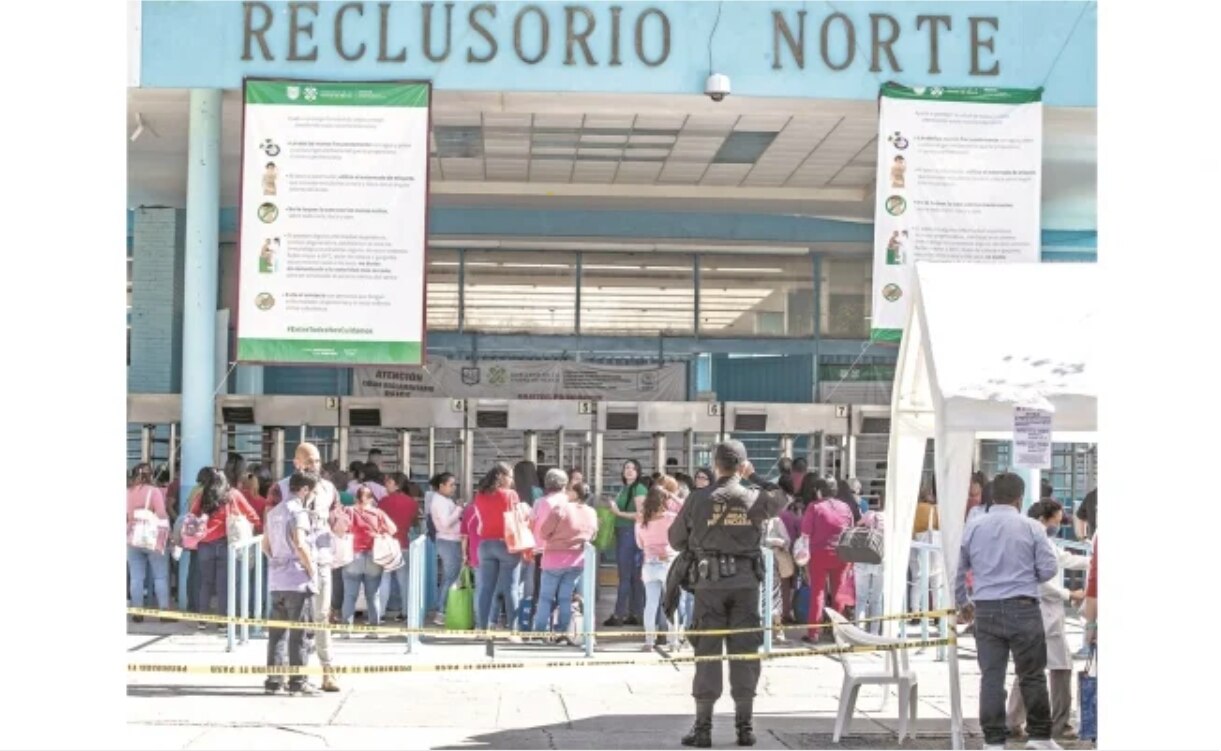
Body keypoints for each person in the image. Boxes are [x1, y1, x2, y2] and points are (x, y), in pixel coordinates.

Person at [669, 441, 786, 748]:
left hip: (709, 585)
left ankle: (703, 729)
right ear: (742, 465)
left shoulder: (698, 498)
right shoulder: (754, 496)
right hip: (746, 584)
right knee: (745, 652)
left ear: (716, 464)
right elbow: (782, 497)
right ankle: (744, 728)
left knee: (707, 652)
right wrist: (754, 477)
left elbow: (676, 539)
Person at [956, 473, 1061, 751]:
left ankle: (993, 741)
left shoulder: (973, 526)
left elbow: (959, 568)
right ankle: (1039, 736)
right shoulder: (1032, 527)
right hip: (1023, 607)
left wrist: (963, 602)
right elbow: (1049, 569)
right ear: (1019, 498)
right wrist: (1026, 576)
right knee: (1032, 675)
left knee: (992, 677)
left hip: (986, 609)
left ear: (993, 496)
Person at [1007, 500, 1090, 741]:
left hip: (1038, 613)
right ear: (1045, 518)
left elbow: (1063, 558)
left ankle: (1012, 722)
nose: (1059, 524)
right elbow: (1040, 582)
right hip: (1042, 613)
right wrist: (1069, 594)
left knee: (1030, 669)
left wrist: (1092, 562)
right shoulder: (1035, 539)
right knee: (1058, 669)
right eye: (1057, 520)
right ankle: (1058, 724)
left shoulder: (1038, 538)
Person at [266, 442, 343, 693]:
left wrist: (343, 524)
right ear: (296, 463)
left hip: (319, 560)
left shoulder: (329, 489)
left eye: (318, 461)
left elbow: (337, 520)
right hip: (294, 568)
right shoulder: (280, 489)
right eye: (309, 462)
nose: (314, 466)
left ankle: (327, 670)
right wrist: (281, 559)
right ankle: (290, 678)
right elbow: (268, 527)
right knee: (291, 625)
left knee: (320, 616)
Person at [262, 471, 321, 696]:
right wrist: (312, 570)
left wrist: (277, 561)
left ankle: (274, 681)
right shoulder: (299, 512)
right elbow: (301, 543)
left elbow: (265, 545)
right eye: (312, 492)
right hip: (297, 579)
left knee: (277, 634)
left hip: (276, 580)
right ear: (304, 490)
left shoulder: (273, 512)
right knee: (300, 634)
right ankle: (298, 681)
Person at [187, 467, 259, 628]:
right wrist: (255, 529)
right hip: (226, 544)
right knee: (224, 585)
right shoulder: (233, 495)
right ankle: (222, 622)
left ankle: (202, 621)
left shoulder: (202, 495)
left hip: (205, 545)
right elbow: (252, 515)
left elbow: (192, 515)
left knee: (205, 583)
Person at [534, 469, 597, 640]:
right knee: (565, 598)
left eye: (569, 490)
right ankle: (562, 631)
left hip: (553, 559)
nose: (566, 493)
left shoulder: (561, 509)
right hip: (576, 561)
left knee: (546, 597)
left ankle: (539, 632)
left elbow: (544, 532)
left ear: (575, 494)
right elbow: (593, 535)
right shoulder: (591, 512)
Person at [798, 476, 854, 642]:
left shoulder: (814, 507)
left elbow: (805, 532)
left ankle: (814, 633)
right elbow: (851, 530)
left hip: (819, 554)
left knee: (818, 593)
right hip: (842, 554)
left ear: (819, 491)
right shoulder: (845, 507)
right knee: (838, 594)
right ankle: (838, 633)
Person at [473, 463, 525, 641]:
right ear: (502, 476)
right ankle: (513, 632)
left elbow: (479, 523)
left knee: (486, 588)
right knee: (511, 589)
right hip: (507, 544)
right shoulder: (511, 495)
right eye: (510, 476)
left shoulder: (479, 495)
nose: (512, 480)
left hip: (486, 545)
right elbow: (517, 519)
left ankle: (481, 629)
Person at [340, 485, 396, 635]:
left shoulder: (349, 511)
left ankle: (346, 631)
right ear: (371, 499)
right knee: (372, 596)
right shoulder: (378, 513)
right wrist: (379, 534)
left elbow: (340, 529)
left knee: (349, 596)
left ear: (355, 497)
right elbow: (393, 529)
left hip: (353, 556)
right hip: (374, 557)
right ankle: (373, 631)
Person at [605, 459, 648, 627]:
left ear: (638, 471)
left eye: (633, 468)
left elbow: (641, 515)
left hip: (630, 534)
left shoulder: (638, 488)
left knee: (626, 576)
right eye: (626, 467)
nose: (629, 470)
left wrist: (618, 513)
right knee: (633, 577)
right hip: (625, 533)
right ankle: (635, 613)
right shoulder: (626, 488)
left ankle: (619, 614)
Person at [636, 485, 678, 651]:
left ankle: (649, 641)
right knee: (671, 604)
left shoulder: (641, 520)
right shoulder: (671, 518)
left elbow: (639, 544)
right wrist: (673, 496)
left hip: (649, 564)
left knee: (650, 604)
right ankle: (673, 642)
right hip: (668, 562)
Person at [127, 462, 170, 621]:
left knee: (136, 577)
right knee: (160, 576)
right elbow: (161, 514)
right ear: (150, 475)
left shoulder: (128, 492)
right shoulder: (154, 491)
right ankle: (164, 612)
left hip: (132, 538)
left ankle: (137, 612)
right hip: (152, 538)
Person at [376, 472, 419, 622]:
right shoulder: (412, 503)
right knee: (404, 580)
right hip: (404, 543)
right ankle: (406, 612)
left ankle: (380, 613)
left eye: (389, 482)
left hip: (386, 545)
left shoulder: (383, 502)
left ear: (397, 485)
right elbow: (414, 522)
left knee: (384, 579)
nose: (386, 485)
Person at [429, 473, 464, 626]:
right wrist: (459, 509)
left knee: (449, 577)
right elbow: (445, 523)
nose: (454, 488)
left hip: (450, 540)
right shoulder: (439, 502)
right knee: (450, 577)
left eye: (454, 485)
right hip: (448, 541)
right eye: (451, 485)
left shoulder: (445, 500)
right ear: (441, 485)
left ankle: (443, 610)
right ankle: (441, 612)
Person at [853, 509, 886, 635]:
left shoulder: (868, 514)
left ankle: (860, 630)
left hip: (863, 559)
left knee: (861, 599)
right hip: (880, 560)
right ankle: (874, 632)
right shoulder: (888, 518)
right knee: (876, 599)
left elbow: (856, 526)